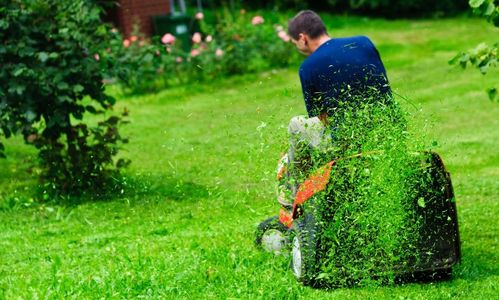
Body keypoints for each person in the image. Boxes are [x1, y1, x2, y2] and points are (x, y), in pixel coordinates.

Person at [276, 10, 392, 207]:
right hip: (389, 127)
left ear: (303, 38)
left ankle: (294, 193)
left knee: (297, 125)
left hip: (350, 141)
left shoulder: (308, 67)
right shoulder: (363, 42)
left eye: (295, 43)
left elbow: (323, 119)